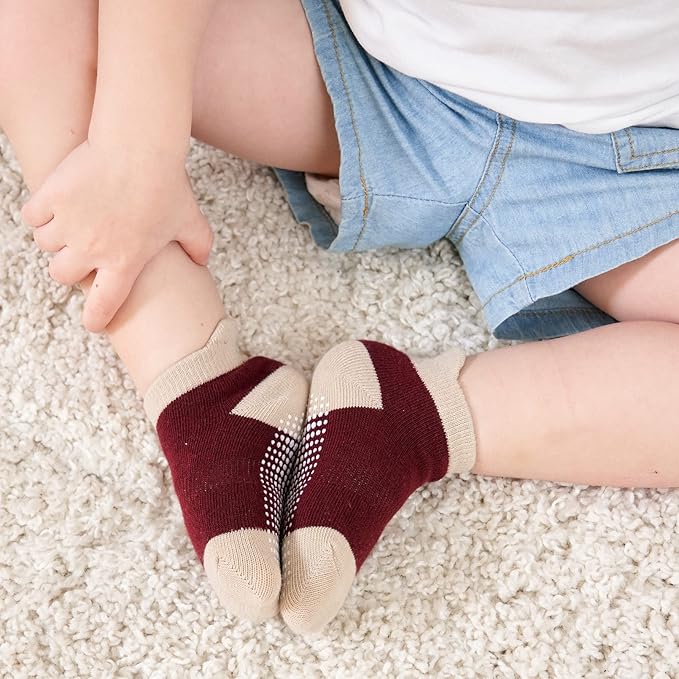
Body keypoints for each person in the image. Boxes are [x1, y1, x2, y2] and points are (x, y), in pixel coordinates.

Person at [1, 0, 678, 636]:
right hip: (365, 63)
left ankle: (408, 416)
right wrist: (134, 142)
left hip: (637, 156)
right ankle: (198, 377)